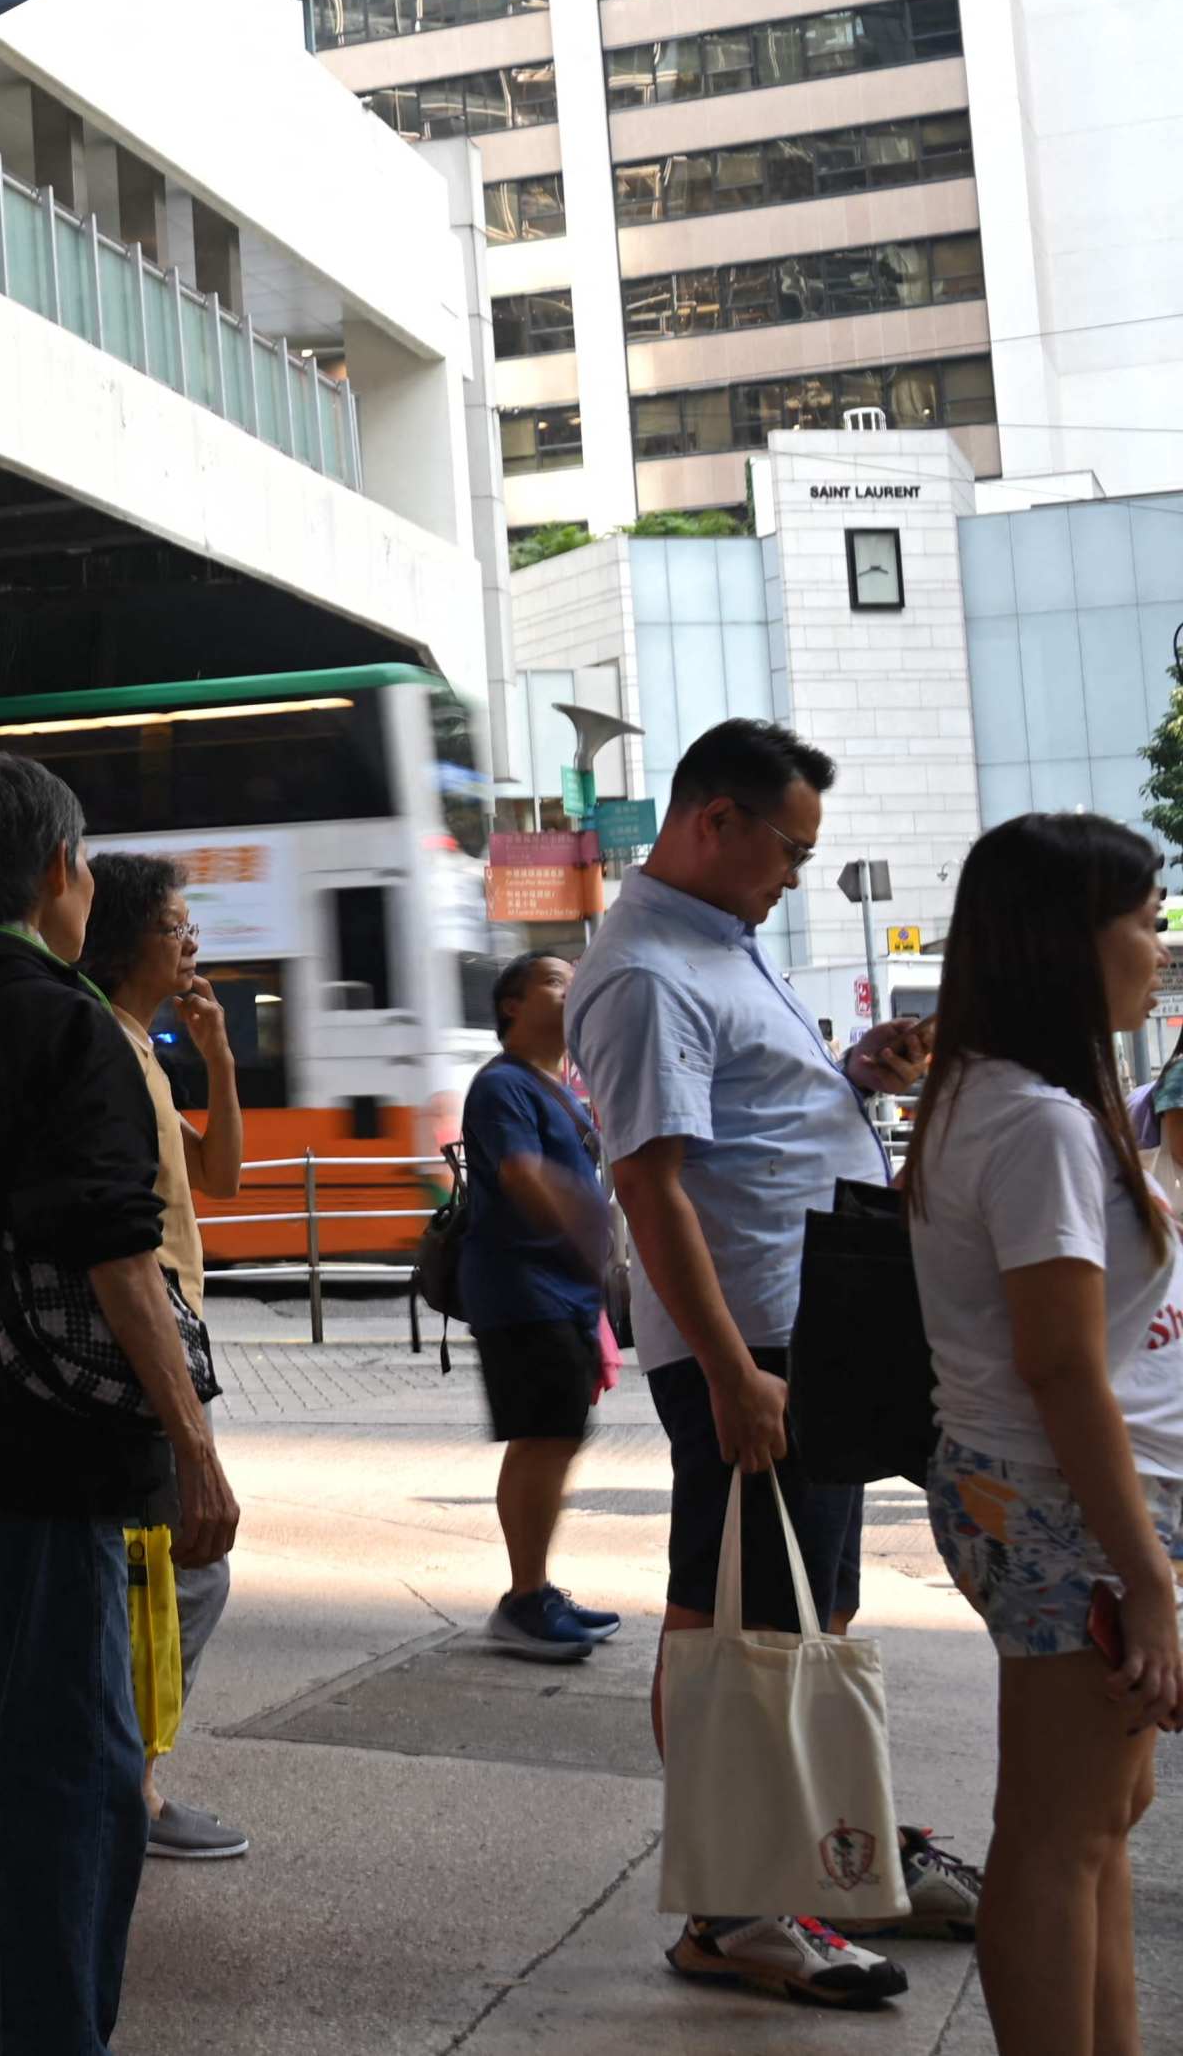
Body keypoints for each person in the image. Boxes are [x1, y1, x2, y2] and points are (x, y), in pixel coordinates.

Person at [566, 716, 981, 2008]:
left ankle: (822, 1845)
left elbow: (741, 1127)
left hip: (806, 1336)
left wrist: (851, 1073)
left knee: (809, 1609)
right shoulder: (644, 971)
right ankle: (734, 1907)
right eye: (788, 849)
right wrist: (736, 1373)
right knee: (731, 1621)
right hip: (750, 1346)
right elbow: (650, 1183)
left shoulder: (715, 943)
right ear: (714, 821)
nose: (797, 872)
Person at [0, 753, 233, 2056]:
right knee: (72, 1784)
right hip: (50, 1463)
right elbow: (118, 1254)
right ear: (62, 871)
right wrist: (194, 1448)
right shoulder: (60, 1023)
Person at [905, 811, 1183, 2056]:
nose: (1159, 945)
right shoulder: (1038, 1123)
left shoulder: (1000, 1091)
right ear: (1064, 942)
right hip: (1060, 1508)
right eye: (1142, 917)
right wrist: (1150, 1576)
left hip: (1037, 1494)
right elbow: (1061, 1365)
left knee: (1102, 1817)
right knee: (1062, 1835)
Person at [76, 852, 250, 1865]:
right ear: (130, 935)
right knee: (185, 1568)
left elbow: (218, 1177)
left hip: (175, 1329)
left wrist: (220, 1060)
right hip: (149, 1341)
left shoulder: (139, 1046)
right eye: (178, 923)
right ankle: (127, 1781)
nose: (192, 941)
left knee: (168, 1571)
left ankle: (129, 1775)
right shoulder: (102, 1039)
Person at [457, 951, 621, 1661]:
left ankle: (537, 1587)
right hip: (523, 1291)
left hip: (563, 1294)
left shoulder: (562, 1088)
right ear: (512, 1007)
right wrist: (593, 1230)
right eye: (556, 979)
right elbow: (521, 1172)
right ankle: (524, 1598)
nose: (572, 985)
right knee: (541, 1438)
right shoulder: (502, 1085)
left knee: (557, 1436)